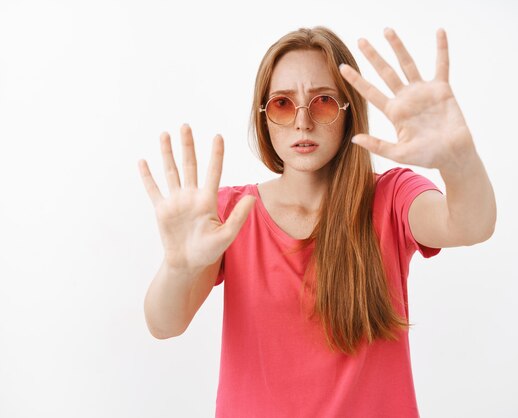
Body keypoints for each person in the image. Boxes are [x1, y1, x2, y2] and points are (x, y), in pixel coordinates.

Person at [138, 26, 496, 418]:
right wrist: (177, 267)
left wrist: (459, 162)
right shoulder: (228, 214)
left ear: (348, 113)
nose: (302, 122)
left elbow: (470, 225)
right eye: (282, 104)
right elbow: (164, 324)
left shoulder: (392, 197)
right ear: (264, 117)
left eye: (323, 102)